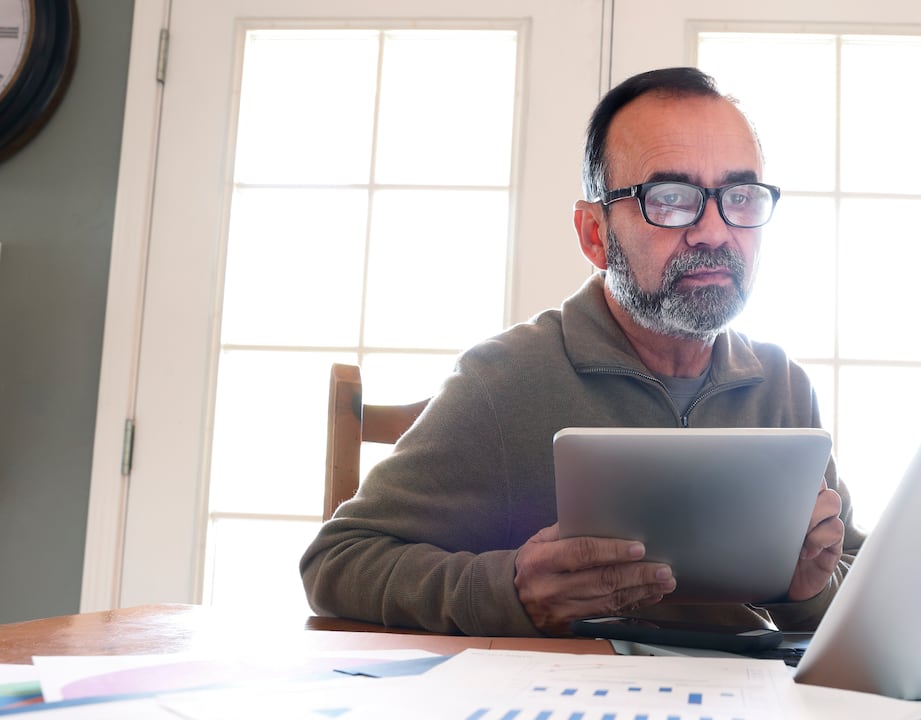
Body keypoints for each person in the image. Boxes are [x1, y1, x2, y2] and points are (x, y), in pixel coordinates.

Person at [300, 66, 866, 637]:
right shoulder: (505, 381)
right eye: (670, 199)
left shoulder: (782, 387)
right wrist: (511, 589)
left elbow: (861, 584)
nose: (715, 231)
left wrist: (810, 592)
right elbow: (336, 562)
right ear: (594, 234)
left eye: (740, 197)